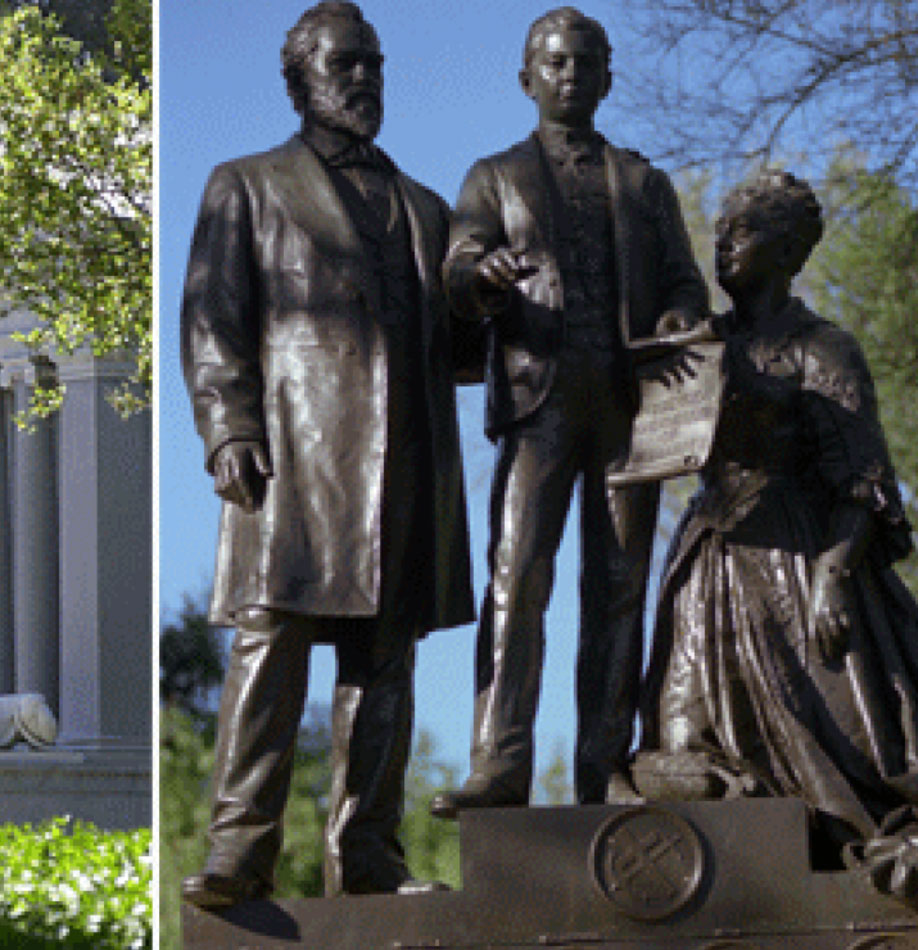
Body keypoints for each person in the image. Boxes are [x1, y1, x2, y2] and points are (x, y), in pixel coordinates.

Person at [179, 0, 474, 906]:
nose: (364, 79)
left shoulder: (426, 209)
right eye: (346, 63)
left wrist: (490, 302)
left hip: (407, 464)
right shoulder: (249, 184)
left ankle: (371, 858)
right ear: (299, 76)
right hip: (295, 464)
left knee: (384, 667)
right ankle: (240, 851)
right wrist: (229, 426)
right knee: (270, 649)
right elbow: (212, 319)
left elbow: (460, 355)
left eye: (374, 64)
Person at [430, 6, 708, 817]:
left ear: (608, 78)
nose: (570, 75)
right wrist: (483, 276)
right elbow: (457, 263)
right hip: (538, 399)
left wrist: (676, 316)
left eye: (586, 63)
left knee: (619, 587)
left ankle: (606, 766)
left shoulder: (643, 182)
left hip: (632, 408)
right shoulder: (494, 175)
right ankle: (500, 767)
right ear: (527, 78)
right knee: (518, 580)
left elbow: (686, 281)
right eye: (554, 63)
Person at [645, 170, 918, 904]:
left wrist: (833, 573)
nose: (723, 244)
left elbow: (865, 482)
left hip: (794, 552)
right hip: (710, 560)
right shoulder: (698, 343)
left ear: (783, 249)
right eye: (720, 230)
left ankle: (856, 838)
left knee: (850, 747)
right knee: (676, 747)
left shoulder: (821, 347)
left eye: (740, 231)